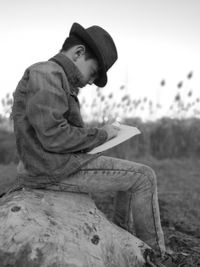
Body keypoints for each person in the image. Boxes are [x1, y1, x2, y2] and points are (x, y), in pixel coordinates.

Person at [12, 22, 174, 267]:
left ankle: (124, 235)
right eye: (93, 72)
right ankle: (157, 256)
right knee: (144, 177)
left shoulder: (55, 77)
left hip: (49, 164)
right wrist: (103, 134)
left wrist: (98, 138)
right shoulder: (47, 73)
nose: (91, 81)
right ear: (78, 53)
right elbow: (54, 136)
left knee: (132, 176)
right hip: (51, 169)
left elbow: (57, 132)